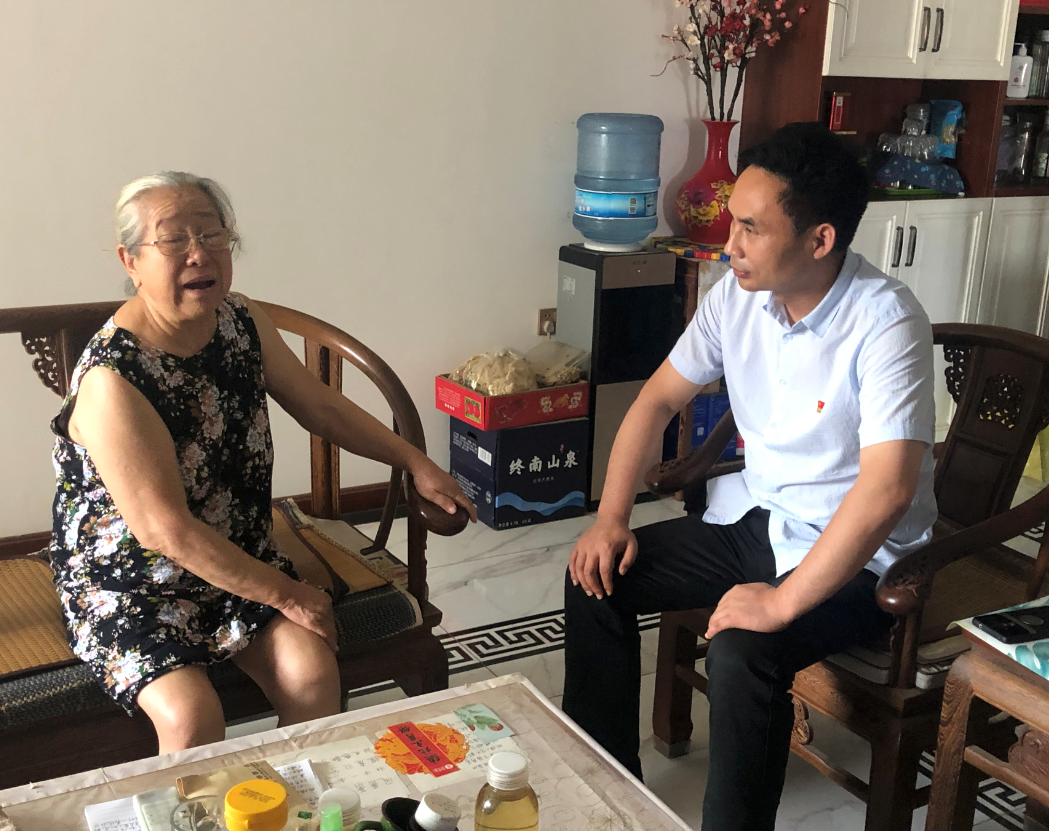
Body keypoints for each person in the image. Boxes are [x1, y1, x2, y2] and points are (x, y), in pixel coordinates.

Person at [562, 122, 937, 831]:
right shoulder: (736, 296)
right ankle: (608, 792)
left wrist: (782, 602)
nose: (728, 244)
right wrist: (611, 518)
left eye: (750, 229)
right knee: (595, 573)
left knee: (742, 651)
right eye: (733, 222)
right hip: (762, 519)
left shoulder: (886, 322)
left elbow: (886, 491)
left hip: (864, 562)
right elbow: (655, 400)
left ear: (819, 240)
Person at [48, 171, 477, 754]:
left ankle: (299, 796)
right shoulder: (113, 377)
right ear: (131, 261)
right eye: (173, 239)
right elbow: (165, 531)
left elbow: (320, 406)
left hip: (238, 555)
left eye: (213, 234)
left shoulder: (240, 320)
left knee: (312, 675)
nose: (199, 253)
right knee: (192, 718)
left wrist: (413, 462)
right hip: (135, 584)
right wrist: (288, 594)